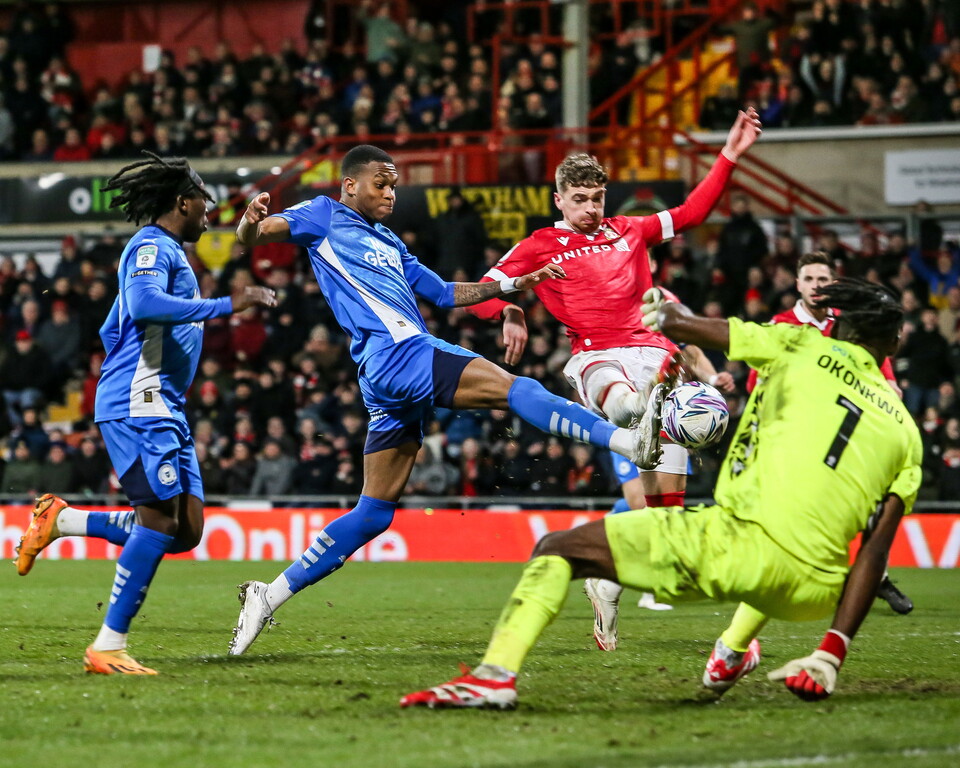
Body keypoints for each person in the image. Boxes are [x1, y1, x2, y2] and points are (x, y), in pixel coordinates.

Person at [227, 144, 664, 656]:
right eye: (380, 184)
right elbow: (256, 236)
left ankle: (267, 594)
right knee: (515, 389)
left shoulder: (390, 242)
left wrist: (514, 287)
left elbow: (446, 293)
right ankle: (626, 439)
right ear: (350, 185)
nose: (390, 193)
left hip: (386, 373)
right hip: (400, 353)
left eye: (393, 185)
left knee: (373, 513)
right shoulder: (324, 215)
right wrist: (249, 223)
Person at [401, 278, 921, 709]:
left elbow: (690, 328)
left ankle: (495, 677)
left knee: (556, 550)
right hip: (814, 591)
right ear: (893, 346)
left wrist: (661, 319)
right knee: (782, 547)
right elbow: (875, 553)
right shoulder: (907, 433)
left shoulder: (801, 344)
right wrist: (829, 653)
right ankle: (732, 650)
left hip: (733, 548)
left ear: (833, 326)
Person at [466, 108, 762, 649]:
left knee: (662, 512)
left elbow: (693, 212)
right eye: (578, 199)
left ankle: (606, 581)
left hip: (654, 351)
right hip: (596, 356)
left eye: (596, 198)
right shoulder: (538, 245)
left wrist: (730, 155)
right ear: (559, 199)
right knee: (624, 405)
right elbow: (481, 289)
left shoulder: (630, 230)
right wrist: (510, 311)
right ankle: (644, 412)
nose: (589, 208)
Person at [14, 152, 277, 675]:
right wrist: (227, 305)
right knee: (157, 522)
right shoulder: (150, 245)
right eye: (203, 198)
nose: (210, 208)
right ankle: (107, 646)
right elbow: (142, 306)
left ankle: (60, 519)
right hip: (142, 403)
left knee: (185, 530)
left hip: (162, 405)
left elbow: (114, 328)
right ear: (182, 201)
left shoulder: (167, 252)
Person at [743, 251, 913, 614]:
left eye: (823, 280)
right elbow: (755, 381)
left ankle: (876, 576)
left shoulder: (849, 321)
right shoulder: (781, 325)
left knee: (874, 503)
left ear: (833, 284)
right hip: (802, 433)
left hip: (852, 428)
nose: (817, 286)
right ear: (798, 285)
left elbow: (878, 358)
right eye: (810, 280)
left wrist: (890, 384)